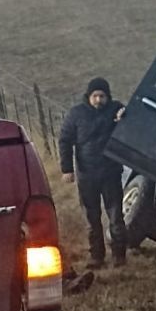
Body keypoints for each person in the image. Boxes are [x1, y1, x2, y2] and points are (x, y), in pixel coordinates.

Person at [58, 77, 128, 269]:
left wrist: (124, 119)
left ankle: (119, 256)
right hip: (87, 175)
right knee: (92, 217)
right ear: (88, 96)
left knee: (115, 216)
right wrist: (67, 169)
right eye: (95, 96)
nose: (99, 100)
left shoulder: (117, 110)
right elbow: (65, 140)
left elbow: (131, 128)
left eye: (102, 96)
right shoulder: (76, 115)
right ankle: (97, 256)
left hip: (111, 173)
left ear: (108, 97)